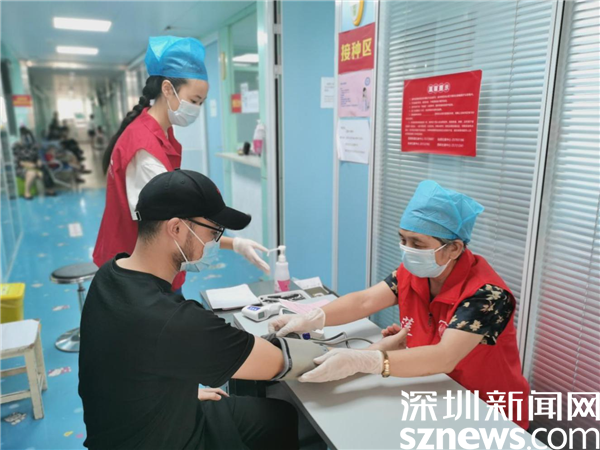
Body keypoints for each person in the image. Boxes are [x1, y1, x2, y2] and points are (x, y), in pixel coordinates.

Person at [79, 170, 329, 450]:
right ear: (176, 228)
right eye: (213, 231)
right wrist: (352, 356)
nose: (215, 241)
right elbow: (278, 362)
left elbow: (115, 364)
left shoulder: (110, 275)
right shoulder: (172, 319)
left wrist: (176, 393)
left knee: (277, 417)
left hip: (126, 425)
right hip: (159, 439)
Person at [269, 180, 531, 429]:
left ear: (454, 248)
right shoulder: (415, 273)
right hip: (433, 389)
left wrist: (367, 360)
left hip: (488, 409)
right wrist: (312, 317)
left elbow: (445, 357)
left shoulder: (487, 295)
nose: (407, 249)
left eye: (417, 243)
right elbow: (365, 301)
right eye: (403, 239)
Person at [94, 36, 268, 292]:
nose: (196, 108)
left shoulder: (161, 134)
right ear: (167, 89)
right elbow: (168, 227)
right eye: (194, 100)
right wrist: (231, 243)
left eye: (201, 103)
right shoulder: (145, 149)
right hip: (139, 273)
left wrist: (234, 243)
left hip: (146, 266)